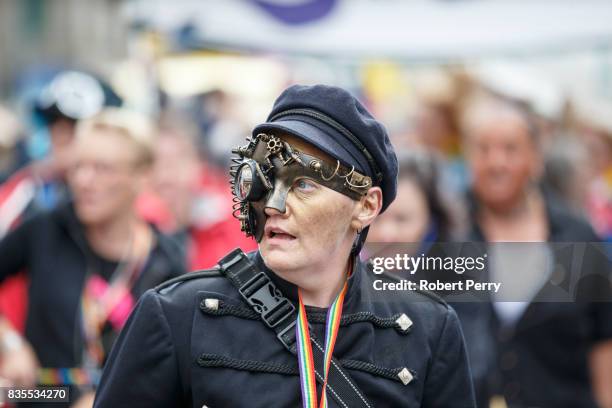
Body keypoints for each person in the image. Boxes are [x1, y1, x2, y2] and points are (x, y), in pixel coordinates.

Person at [94, 84, 476, 407]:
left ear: (366, 205)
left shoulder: (429, 329)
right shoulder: (177, 315)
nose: (273, 204)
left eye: (304, 184)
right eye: (267, 178)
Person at [0, 108, 184, 407]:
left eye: (103, 168)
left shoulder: (166, 259)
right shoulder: (45, 229)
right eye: (78, 167)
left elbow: (171, 372)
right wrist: (10, 345)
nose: (84, 180)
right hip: (42, 395)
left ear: (142, 175)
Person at [457, 95, 612, 408]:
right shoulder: (450, 236)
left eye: (510, 149)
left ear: (535, 158)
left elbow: (604, 342)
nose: (495, 162)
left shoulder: (578, 238)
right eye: (483, 149)